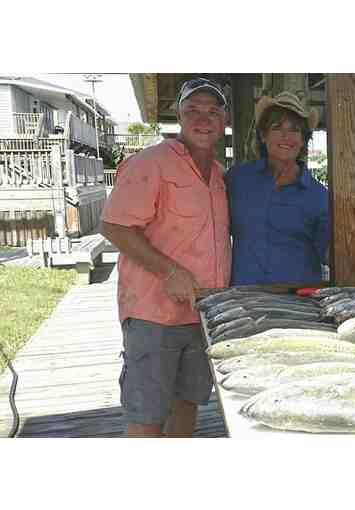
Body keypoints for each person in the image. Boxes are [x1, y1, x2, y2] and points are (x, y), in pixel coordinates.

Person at [101, 77, 232, 437]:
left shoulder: (219, 175)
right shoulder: (150, 162)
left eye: (213, 111)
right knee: (147, 417)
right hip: (153, 315)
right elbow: (114, 226)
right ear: (178, 115)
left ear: (224, 120)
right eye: (193, 110)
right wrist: (170, 271)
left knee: (187, 404)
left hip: (203, 313)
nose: (203, 119)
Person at [225, 91, 329, 285]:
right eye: (277, 127)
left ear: (303, 140)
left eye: (295, 130)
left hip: (298, 299)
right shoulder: (237, 179)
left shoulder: (320, 196)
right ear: (263, 135)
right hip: (242, 298)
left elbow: (331, 253)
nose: (286, 136)